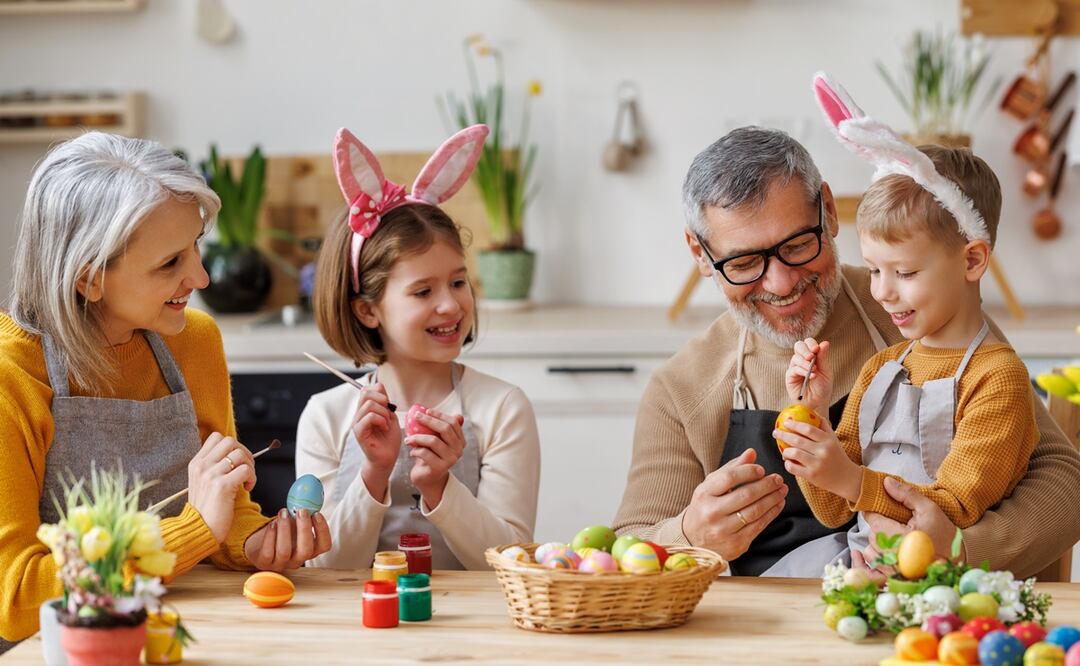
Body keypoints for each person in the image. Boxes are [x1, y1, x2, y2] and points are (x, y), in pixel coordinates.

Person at [611, 121, 1080, 577]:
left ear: (830, 212)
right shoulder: (681, 388)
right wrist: (690, 536)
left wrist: (953, 554)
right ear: (700, 254)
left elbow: (1064, 480)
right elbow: (624, 548)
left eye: (798, 244)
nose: (781, 282)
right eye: (745, 262)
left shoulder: (927, 317)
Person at [0, 132, 331, 646]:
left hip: (178, 632)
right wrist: (193, 530)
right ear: (89, 279)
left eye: (196, 246)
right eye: (169, 263)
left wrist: (254, 541)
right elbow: (16, 597)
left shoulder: (193, 341)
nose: (200, 277)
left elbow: (224, 508)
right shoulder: (10, 375)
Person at [770, 74, 1038, 575]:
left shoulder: (997, 378)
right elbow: (832, 511)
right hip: (860, 565)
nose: (882, 291)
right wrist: (812, 420)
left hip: (936, 584)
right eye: (874, 270)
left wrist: (852, 480)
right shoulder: (882, 369)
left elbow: (951, 511)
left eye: (905, 273)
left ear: (972, 260)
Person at [296, 125, 540, 570]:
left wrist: (439, 487)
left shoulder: (503, 408)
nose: (451, 305)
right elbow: (324, 570)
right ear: (368, 310)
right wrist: (374, 473)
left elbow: (511, 562)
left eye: (458, 282)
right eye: (423, 291)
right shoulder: (325, 416)